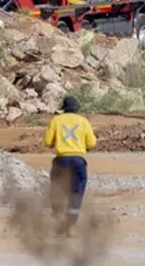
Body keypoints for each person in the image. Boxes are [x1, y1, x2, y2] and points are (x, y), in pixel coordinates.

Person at [44, 95, 97, 236]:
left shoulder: (56, 121)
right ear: (76, 109)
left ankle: (58, 216)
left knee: (57, 189)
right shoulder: (83, 121)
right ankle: (71, 223)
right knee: (76, 191)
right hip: (79, 161)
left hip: (61, 160)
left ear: (64, 109)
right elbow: (91, 143)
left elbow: (47, 142)